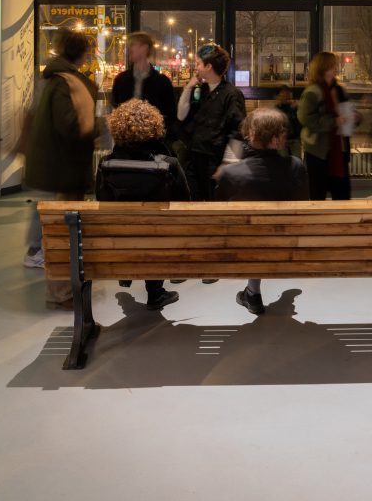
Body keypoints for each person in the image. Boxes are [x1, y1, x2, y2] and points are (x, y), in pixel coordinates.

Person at [24, 29, 98, 309]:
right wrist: (103, 125)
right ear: (82, 53)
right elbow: (70, 125)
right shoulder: (68, 82)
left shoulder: (54, 80)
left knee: (60, 230)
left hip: (57, 168)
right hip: (65, 169)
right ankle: (61, 292)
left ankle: (63, 288)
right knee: (64, 233)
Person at [96, 99, 189, 309]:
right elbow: (185, 203)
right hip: (160, 243)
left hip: (120, 244)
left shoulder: (106, 165)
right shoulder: (168, 165)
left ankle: (127, 270)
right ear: (154, 126)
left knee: (127, 229)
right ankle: (155, 293)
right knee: (158, 232)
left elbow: (102, 201)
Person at [216, 108, 309, 314]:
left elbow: (219, 213)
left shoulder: (231, 173)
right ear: (279, 139)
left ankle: (252, 291)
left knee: (252, 235)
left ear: (251, 135)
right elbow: (304, 206)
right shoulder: (296, 167)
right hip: (288, 248)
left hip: (242, 249)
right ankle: (252, 291)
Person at [177, 43, 246, 201]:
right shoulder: (199, 90)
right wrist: (189, 87)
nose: (196, 67)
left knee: (215, 204)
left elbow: (238, 131)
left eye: (198, 63)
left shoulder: (232, 95)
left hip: (215, 160)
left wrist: (227, 164)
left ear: (208, 67)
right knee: (193, 202)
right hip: (193, 157)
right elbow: (181, 116)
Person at [297, 51, 351, 201]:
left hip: (339, 149)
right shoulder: (313, 92)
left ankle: (341, 223)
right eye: (333, 65)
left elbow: (346, 111)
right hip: (318, 151)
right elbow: (306, 119)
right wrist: (334, 121)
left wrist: (354, 118)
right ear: (324, 67)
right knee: (317, 194)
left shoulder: (338, 90)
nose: (336, 68)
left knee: (341, 195)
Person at [110, 31, 177, 138]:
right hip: (126, 141)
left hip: (153, 141)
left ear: (144, 48)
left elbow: (170, 114)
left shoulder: (162, 82)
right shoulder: (121, 79)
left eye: (132, 45)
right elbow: (115, 108)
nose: (129, 49)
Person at [275, 86, 301, 158]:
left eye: (287, 93)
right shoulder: (277, 109)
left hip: (294, 139)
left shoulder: (295, 107)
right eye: (283, 93)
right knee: (283, 163)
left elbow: (299, 122)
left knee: (297, 161)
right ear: (278, 96)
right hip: (282, 140)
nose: (285, 95)